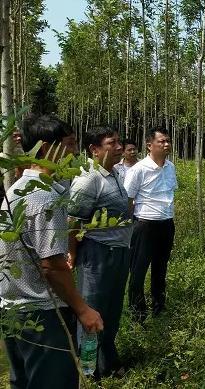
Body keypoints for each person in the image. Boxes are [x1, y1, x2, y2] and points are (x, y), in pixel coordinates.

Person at [0, 114, 103, 389]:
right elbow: (52, 266)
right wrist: (83, 309)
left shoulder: (18, 189)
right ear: (47, 148)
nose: (74, 152)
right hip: (43, 315)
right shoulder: (44, 197)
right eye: (69, 145)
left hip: (14, 310)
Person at [68, 126, 133, 378]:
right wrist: (72, 254)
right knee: (92, 311)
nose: (118, 147)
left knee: (112, 311)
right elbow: (73, 221)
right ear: (94, 150)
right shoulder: (88, 178)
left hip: (118, 252)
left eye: (119, 142)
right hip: (97, 255)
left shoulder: (114, 173)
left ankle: (107, 363)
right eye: (111, 143)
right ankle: (88, 371)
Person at [124, 127, 177, 322]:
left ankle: (158, 307)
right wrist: (130, 227)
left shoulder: (171, 167)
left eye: (168, 141)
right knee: (138, 270)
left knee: (160, 268)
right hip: (144, 225)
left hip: (166, 224)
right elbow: (128, 200)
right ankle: (138, 314)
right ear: (149, 145)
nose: (166, 144)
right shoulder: (138, 170)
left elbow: (170, 194)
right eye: (161, 141)